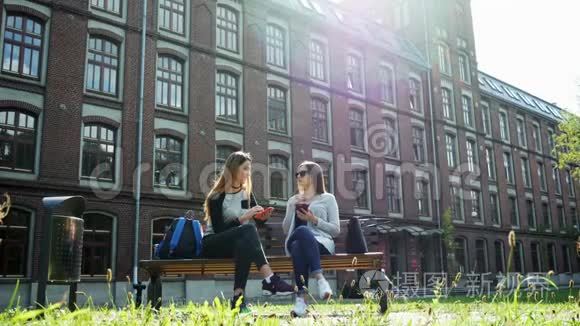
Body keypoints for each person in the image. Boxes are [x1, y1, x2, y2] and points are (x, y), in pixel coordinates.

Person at [202, 151, 294, 313]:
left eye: (249, 169)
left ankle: (238, 301)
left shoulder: (246, 193)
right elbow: (219, 230)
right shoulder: (216, 196)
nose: (248, 173)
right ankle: (270, 279)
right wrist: (245, 217)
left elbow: (256, 221)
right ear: (233, 169)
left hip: (235, 243)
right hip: (213, 244)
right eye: (245, 168)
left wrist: (262, 217)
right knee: (246, 230)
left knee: (244, 244)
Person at [282, 161, 340, 317]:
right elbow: (286, 229)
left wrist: (314, 220)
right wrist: (290, 208)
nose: (298, 176)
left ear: (314, 176)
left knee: (298, 247)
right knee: (301, 232)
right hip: (295, 238)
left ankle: (301, 300)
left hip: (321, 243)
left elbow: (336, 230)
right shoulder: (293, 199)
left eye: (302, 173)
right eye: (297, 174)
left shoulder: (328, 199)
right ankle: (320, 278)